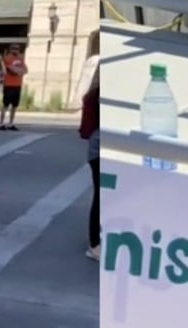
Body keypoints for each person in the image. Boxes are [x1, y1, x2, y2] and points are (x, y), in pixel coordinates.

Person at [81, 66, 100, 261]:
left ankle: (97, 241)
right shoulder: (100, 94)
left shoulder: (95, 92)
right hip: (100, 149)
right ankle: (95, 244)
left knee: (102, 195)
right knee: (101, 196)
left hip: (97, 149)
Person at [0, 44, 27, 131]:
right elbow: (12, 70)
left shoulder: (20, 59)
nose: (16, 50)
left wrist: (19, 70)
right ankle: (1, 123)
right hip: (8, 85)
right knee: (5, 105)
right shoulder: (7, 58)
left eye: (17, 49)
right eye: (14, 48)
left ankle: (11, 123)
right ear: (10, 49)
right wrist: (19, 70)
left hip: (17, 85)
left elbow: (25, 70)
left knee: (14, 106)